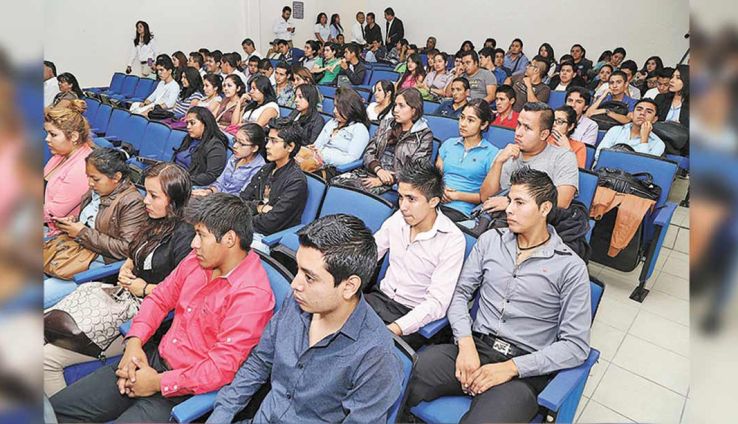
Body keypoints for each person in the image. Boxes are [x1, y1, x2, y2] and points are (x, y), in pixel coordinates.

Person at [49, 193, 275, 423]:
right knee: (56, 410)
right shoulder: (197, 260)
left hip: (185, 391)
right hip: (152, 359)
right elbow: (159, 299)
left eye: (201, 235)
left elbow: (220, 368)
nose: (193, 243)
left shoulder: (252, 296)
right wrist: (134, 344)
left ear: (229, 239)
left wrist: (157, 383)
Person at [406, 167, 591, 424]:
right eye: (509, 201)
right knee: (396, 376)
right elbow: (459, 294)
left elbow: (576, 346)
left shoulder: (570, 267)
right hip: (474, 347)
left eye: (519, 203)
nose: (509, 209)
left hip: (522, 370)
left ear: (545, 208)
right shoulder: (490, 241)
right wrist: (465, 342)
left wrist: (511, 368)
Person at [208, 214, 402, 423]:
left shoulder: (376, 357)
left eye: (309, 277)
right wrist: (222, 414)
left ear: (349, 286)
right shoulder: (296, 303)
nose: (295, 284)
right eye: (298, 270)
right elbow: (259, 362)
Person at [44, 163, 196, 397]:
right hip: (120, 299)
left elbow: (185, 295)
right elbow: (135, 253)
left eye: (154, 196)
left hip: (142, 319)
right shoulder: (155, 220)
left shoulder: (187, 238)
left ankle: (58, 410)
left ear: (174, 200)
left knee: (46, 360)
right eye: (146, 193)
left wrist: (144, 288)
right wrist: (127, 266)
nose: (146, 200)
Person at [368, 160, 466, 350]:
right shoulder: (399, 218)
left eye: (411, 199)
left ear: (433, 201)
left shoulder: (451, 239)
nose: (403, 206)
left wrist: (395, 328)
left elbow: (437, 303)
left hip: (410, 316)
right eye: (400, 197)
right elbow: (370, 253)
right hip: (379, 299)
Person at [44, 148, 148, 308]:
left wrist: (81, 232)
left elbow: (127, 249)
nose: (90, 183)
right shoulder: (97, 190)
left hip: (98, 263)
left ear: (116, 177)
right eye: (88, 177)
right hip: (75, 252)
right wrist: (74, 223)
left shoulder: (132, 202)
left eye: (95, 178)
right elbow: (94, 222)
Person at [331, 88, 433, 196]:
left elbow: (416, 170)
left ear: (414, 110)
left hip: (396, 182)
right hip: (372, 171)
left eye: (401, 106)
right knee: (335, 184)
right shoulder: (386, 124)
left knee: (353, 194)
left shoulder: (423, 135)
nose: (395, 110)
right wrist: (378, 169)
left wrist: (385, 179)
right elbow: (369, 152)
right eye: (395, 105)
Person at [480, 102, 578, 212]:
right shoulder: (505, 154)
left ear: (544, 134)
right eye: (518, 124)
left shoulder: (563, 158)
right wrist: (498, 162)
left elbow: (562, 202)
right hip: (495, 217)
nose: (518, 132)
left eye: (527, 128)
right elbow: (485, 198)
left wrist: (511, 202)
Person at [240, 121, 307, 240]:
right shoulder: (266, 169)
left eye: (274, 141)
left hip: (268, 238)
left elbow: (270, 223)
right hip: (247, 227)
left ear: (290, 147)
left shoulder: (296, 182)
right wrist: (259, 207)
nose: (267, 146)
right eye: (268, 140)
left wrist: (240, 217)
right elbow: (242, 200)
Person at [437, 99, 500, 220]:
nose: (463, 124)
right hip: (434, 201)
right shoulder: (448, 144)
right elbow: (436, 177)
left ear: (483, 125)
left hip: (460, 211)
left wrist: (457, 196)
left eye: (470, 120)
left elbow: (487, 197)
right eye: (462, 118)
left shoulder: (492, 154)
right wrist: (440, 188)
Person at [43, 100, 94, 237]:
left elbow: (54, 213)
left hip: (57, 233)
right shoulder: (59, 155)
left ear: (74, 137)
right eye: (47, 133)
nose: (47, 139)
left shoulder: (82, 167)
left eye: (53, 134)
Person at [194, 123, 267, 197]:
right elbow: (220, 183)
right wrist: (209, 191)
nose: (235, 146)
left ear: (255, 148)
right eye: (235, 140)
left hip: (231, 202)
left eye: (242, 143)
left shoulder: (259, 168)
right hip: (218, 197)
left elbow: (243, 196)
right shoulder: (234, 157)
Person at [305, 87, 370, 169]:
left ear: (350, 108)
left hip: (333, 168)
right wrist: (312, 149)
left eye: (338, 108)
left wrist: (324, 156)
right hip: (316, 160)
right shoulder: (332, 122)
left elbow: (351, 159)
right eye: (334, 106)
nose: (334, 111)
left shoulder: (359, 129)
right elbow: (317, 144)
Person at [172, 107, 228, 186]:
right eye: (187, 123)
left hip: (188, 183)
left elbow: (211, 176)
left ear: (205, 123)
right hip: (175, 176)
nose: (188, 126)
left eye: (192, 123)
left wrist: (181, 180)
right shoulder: (189, 138)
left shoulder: (215, 146)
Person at [594, 98, 665, 160]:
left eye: (649, 112)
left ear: (654, 119)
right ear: (632, 114)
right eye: (639, 109)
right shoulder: (615, 130)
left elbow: (643, 166)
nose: (642, 113)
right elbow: (598, 155)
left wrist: (644, 140)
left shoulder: (658, 144)